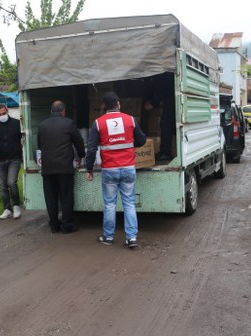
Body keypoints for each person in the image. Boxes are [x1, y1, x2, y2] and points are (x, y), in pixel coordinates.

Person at [85, 92, 147, 248]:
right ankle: (132, 238)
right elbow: (142, 140)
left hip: (109, 170)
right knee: (129, 203)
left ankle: (108, 237)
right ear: (118, 104)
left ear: (104, 106)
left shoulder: (98, 123)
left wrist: (89, 169)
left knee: (110, 204)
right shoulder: (130, 120)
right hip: (128, 168)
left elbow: (91, 149)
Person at [37, 101, 86, 233]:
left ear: (50, 111)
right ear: (63, 110)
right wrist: (81, 154)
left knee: (51, 198)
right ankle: (67, 225)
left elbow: (39, 145)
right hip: (64, 167)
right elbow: (78, 141)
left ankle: (54, 225)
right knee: (66, 197)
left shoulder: (42, 125)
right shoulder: (68, 123)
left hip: (47, 168)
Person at [0, 103, 23, 220]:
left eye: (4, 113)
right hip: (1, 159)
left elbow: (25, 137)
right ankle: (7, 208)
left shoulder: (17, 123)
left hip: (15, 158)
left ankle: (16, 205)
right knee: (3, 186)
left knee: (11, 182)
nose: (2, 116)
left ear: (7, 111)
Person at [142, 73, 175, 161]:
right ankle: (165, 151)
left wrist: (153, 103)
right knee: (168, 124)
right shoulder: (162, 73)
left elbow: (161, 91)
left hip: (171, 101)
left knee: (166, 124)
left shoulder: (160, 75)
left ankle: (165, 152)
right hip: (172, 100)